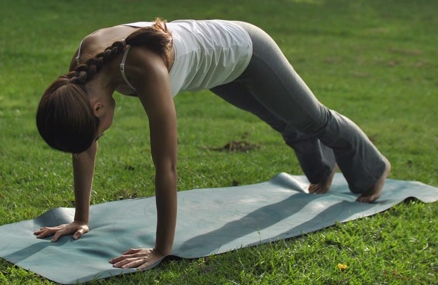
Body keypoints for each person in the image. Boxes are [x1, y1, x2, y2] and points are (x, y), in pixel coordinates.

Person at [34, 18, 391, 270]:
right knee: (281, 118)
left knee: (313, 118)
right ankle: (323, 169)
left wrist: (161, 249)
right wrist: (81, 218)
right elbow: (82, 146)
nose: (99, 138)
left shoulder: (144, 69)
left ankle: (372, 168)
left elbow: (167, 167)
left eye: (99, 133)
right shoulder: (79, 79)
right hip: (215, 69)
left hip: (245, 49)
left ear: (97, 108)